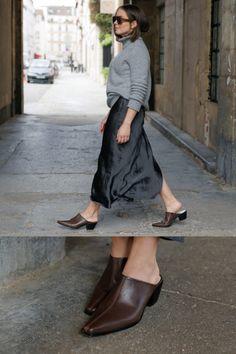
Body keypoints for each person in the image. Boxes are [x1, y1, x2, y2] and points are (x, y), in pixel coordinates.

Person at [57, 5, 187, 335]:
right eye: (113, 19)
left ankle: (91, 211)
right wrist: (109, 114)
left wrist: (126, 121)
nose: (115, 24)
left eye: (120, 19)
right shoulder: (128, 49)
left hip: (127, 112)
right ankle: (173, 205)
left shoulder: (139, 50)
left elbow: (139, 89)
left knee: (110, 163)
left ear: (135, 24)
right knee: (141, 161)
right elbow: (122, 87)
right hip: (119, 110)